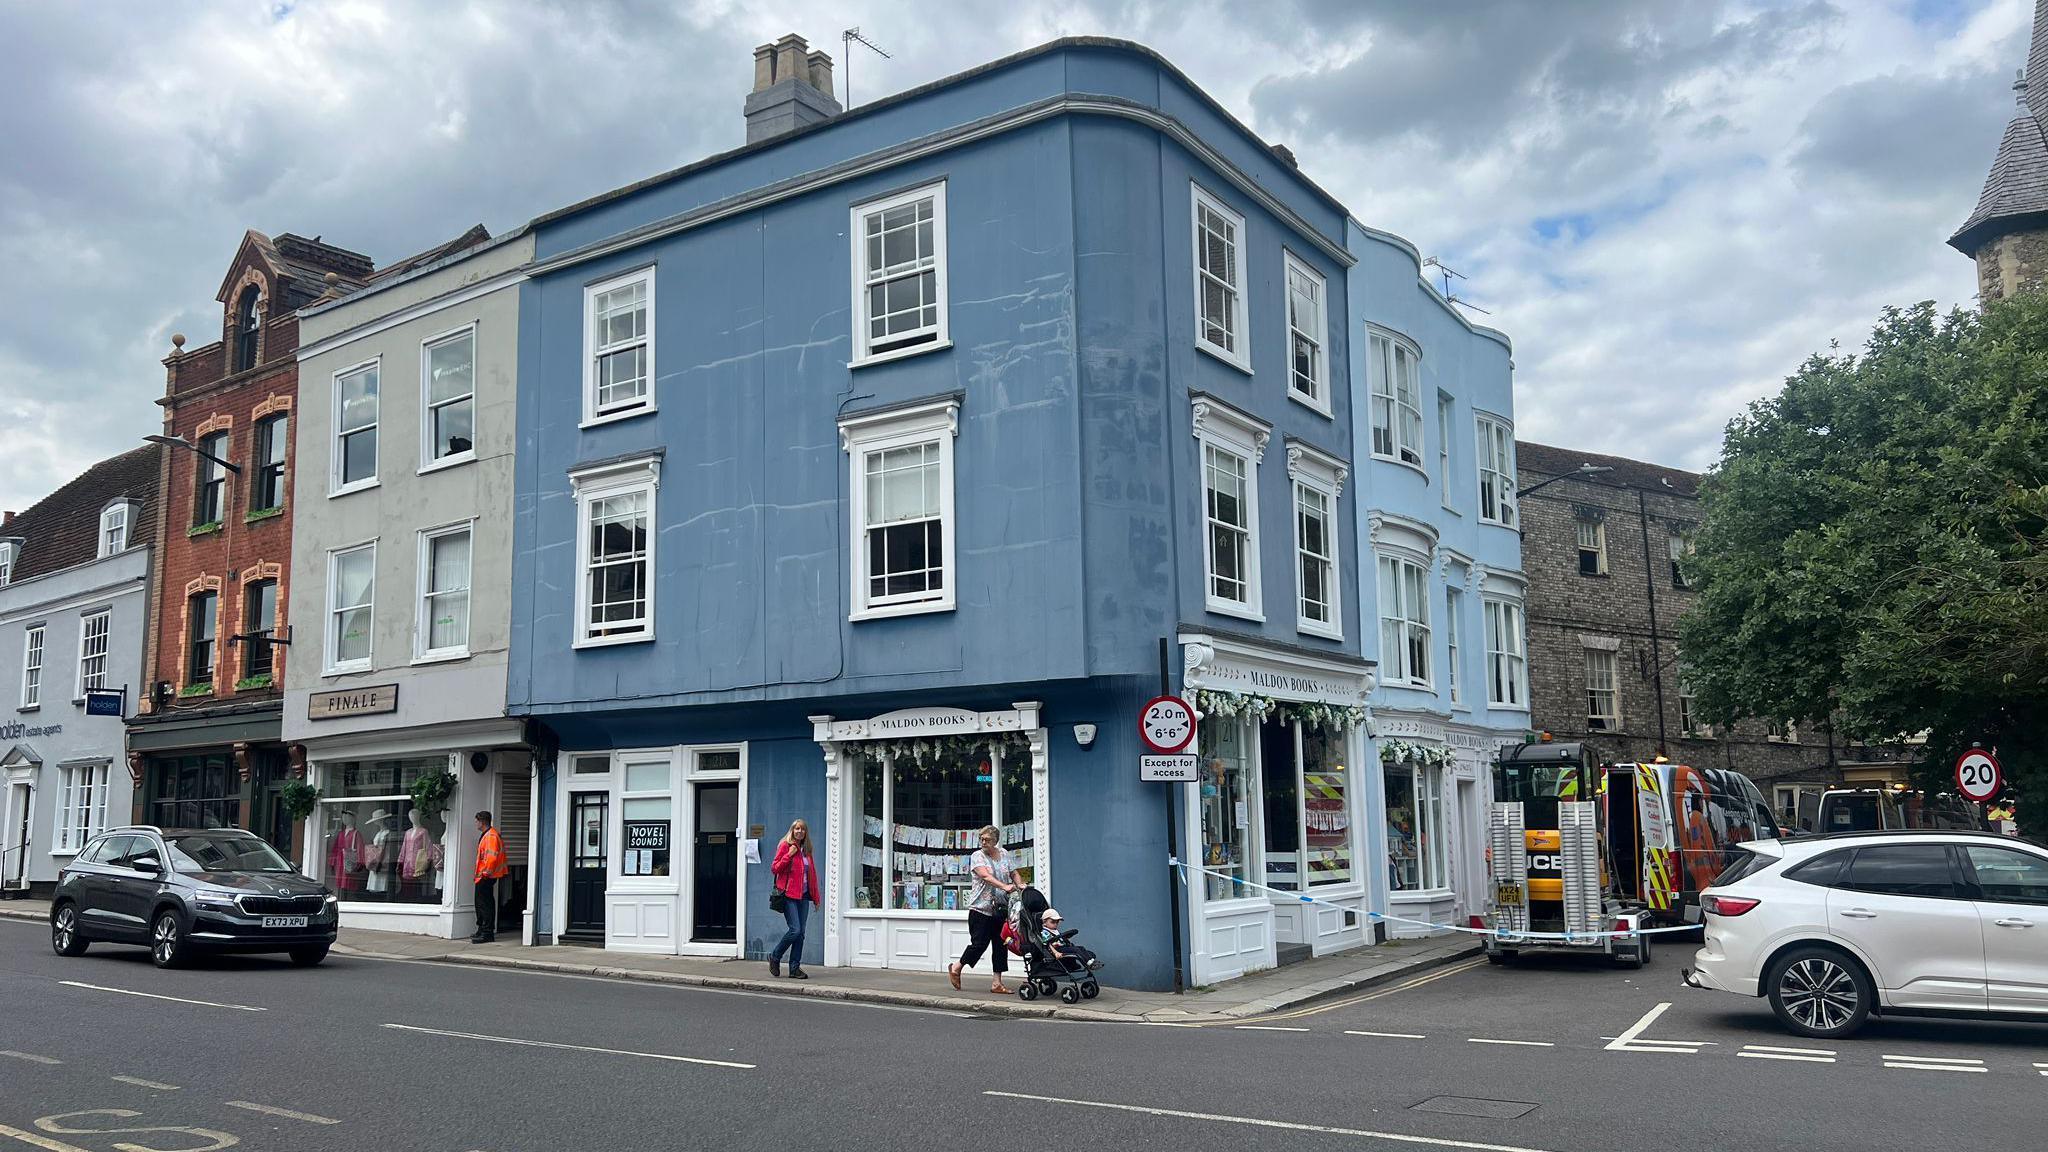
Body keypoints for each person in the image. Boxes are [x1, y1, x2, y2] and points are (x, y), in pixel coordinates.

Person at [949, 825, 1021, 995]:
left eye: (987, 839)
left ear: (995, 841)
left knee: (1001, 944)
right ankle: (956, 967)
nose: (983, 842)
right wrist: (1005, 886)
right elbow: (985, 876)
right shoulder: (977, 856)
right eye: (981, 839)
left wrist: (1020, 884)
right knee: (979, 944)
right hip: (980, 909)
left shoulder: (1004, 854)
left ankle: (997, 983)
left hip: (1001, 909)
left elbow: (1014, 872)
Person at [767, 819, 820, 979]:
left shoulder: (807, 850)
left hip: (803, 896)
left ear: (805, 833)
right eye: (797, 829)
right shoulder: (785, 846)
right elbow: (774, 868)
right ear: (792, 830)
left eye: (802, 829)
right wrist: (788, 856)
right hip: (789, 894)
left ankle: (794, 968)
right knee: (795, 930)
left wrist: (816, 898)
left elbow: (812, 876)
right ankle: (775, 956)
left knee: (801, 933)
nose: (799, 832)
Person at [470, 810, 509, 944]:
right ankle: (482, 929)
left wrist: (485, 873)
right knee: (481, 903)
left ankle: (487, 932)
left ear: (482, 821)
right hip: (484, 875)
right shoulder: (487, 835)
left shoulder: (491, 836)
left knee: (485, 904)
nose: (475, 823)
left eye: (476, 820)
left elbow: (491, 857)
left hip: (486, 876)